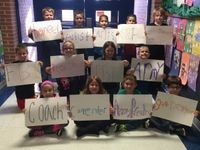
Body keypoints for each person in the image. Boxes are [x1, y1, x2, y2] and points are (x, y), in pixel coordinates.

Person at [0, 44, 43, 112]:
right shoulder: (13, 64)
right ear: (16, 54)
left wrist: (39, 64)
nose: (22, 55)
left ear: (27, 53)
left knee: (32, 105)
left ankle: (32, 100)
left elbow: (37, 67)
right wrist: (4, 67)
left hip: (30, 89)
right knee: (21, 107)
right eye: (19, 54)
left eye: (24, 53)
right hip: (19, 91)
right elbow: (8, 69)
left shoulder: (31, 63)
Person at [28, 7, 62, 81]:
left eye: (50, 15)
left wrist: (62, 36)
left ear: (53, 16)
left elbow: (61, 40)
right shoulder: (38, 27)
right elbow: (34, 39)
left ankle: (61, 88)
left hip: (55, 52)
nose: (49, 17)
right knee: (43, 74)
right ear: (43, 16)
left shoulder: (57, 26)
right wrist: (30, 34)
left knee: (58, 73)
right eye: (47, 15)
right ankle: (43, 89)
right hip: (44, 54)